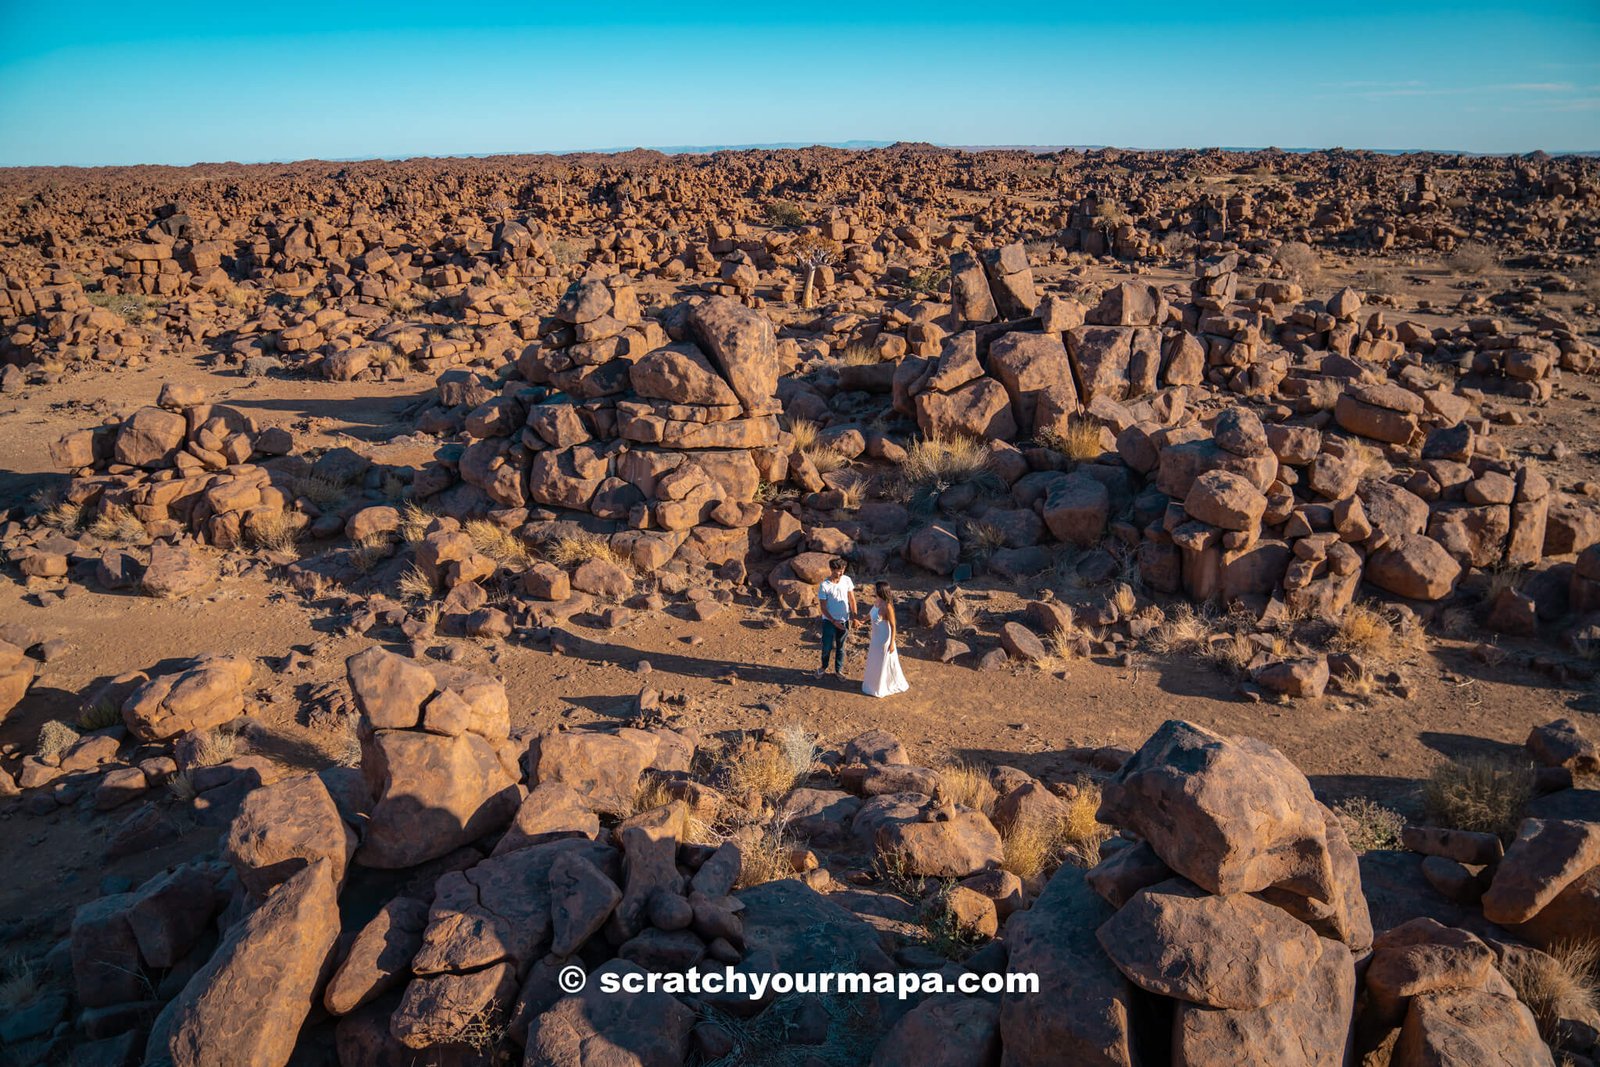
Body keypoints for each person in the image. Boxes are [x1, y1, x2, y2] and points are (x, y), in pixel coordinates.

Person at [863, 580, 909, 698]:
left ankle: (881, 686)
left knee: (883, 662)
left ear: (881, 591)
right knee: (875, 660)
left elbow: (893, 626)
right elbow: (870, 614)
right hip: (875, 638)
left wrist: (892, 643)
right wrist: (862, 621)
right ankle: (872, 684)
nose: (874, 590)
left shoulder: (888, 606)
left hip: (884, 639)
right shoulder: (877, 602)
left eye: (876, 589)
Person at [815, 557, 857, 678]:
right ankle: (823, 667)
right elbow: (823, 608)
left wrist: (854, 616)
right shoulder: (824, 585)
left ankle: (838, 670)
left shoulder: (847, 580)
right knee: (827, 646)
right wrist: (833, 621)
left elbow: (852, 599)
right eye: (838, 570)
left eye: (843, 570)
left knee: (841, 647)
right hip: (829, 621)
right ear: (832, 569)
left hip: (844, 620)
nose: (841, 573)